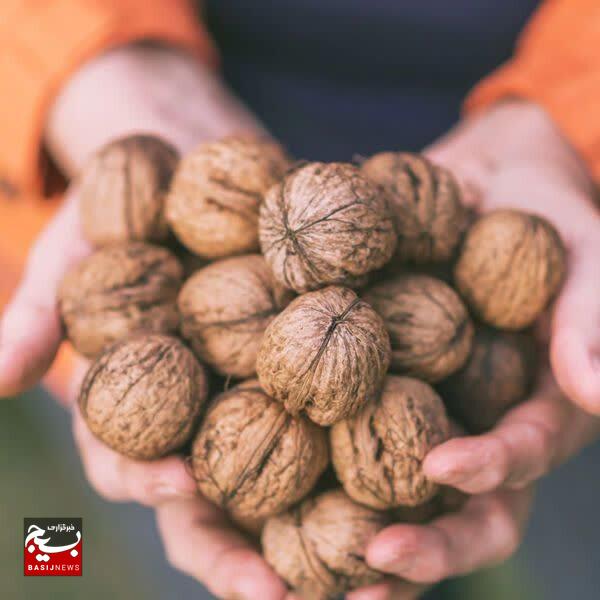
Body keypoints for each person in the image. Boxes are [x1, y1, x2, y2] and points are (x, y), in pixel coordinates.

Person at [0, 1, 599, 598]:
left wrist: (569, 123)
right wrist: (91, 72)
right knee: (173, 529)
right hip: (181, 97)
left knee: (568, 548)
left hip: (531, 199)